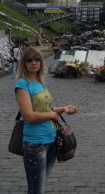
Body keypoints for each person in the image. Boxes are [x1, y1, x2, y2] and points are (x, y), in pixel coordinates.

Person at [14, 47, 78, 194]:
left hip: (51, 140)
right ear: (24, 63)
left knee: (41, 185)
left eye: (37, 59)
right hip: (35, 143)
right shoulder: (22, 85)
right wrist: (52, 116)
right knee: (37, 190)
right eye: (29, 60)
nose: (34, 62)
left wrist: (63, 109)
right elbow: (28, 116)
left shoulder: (40, 82)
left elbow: (46, 109)